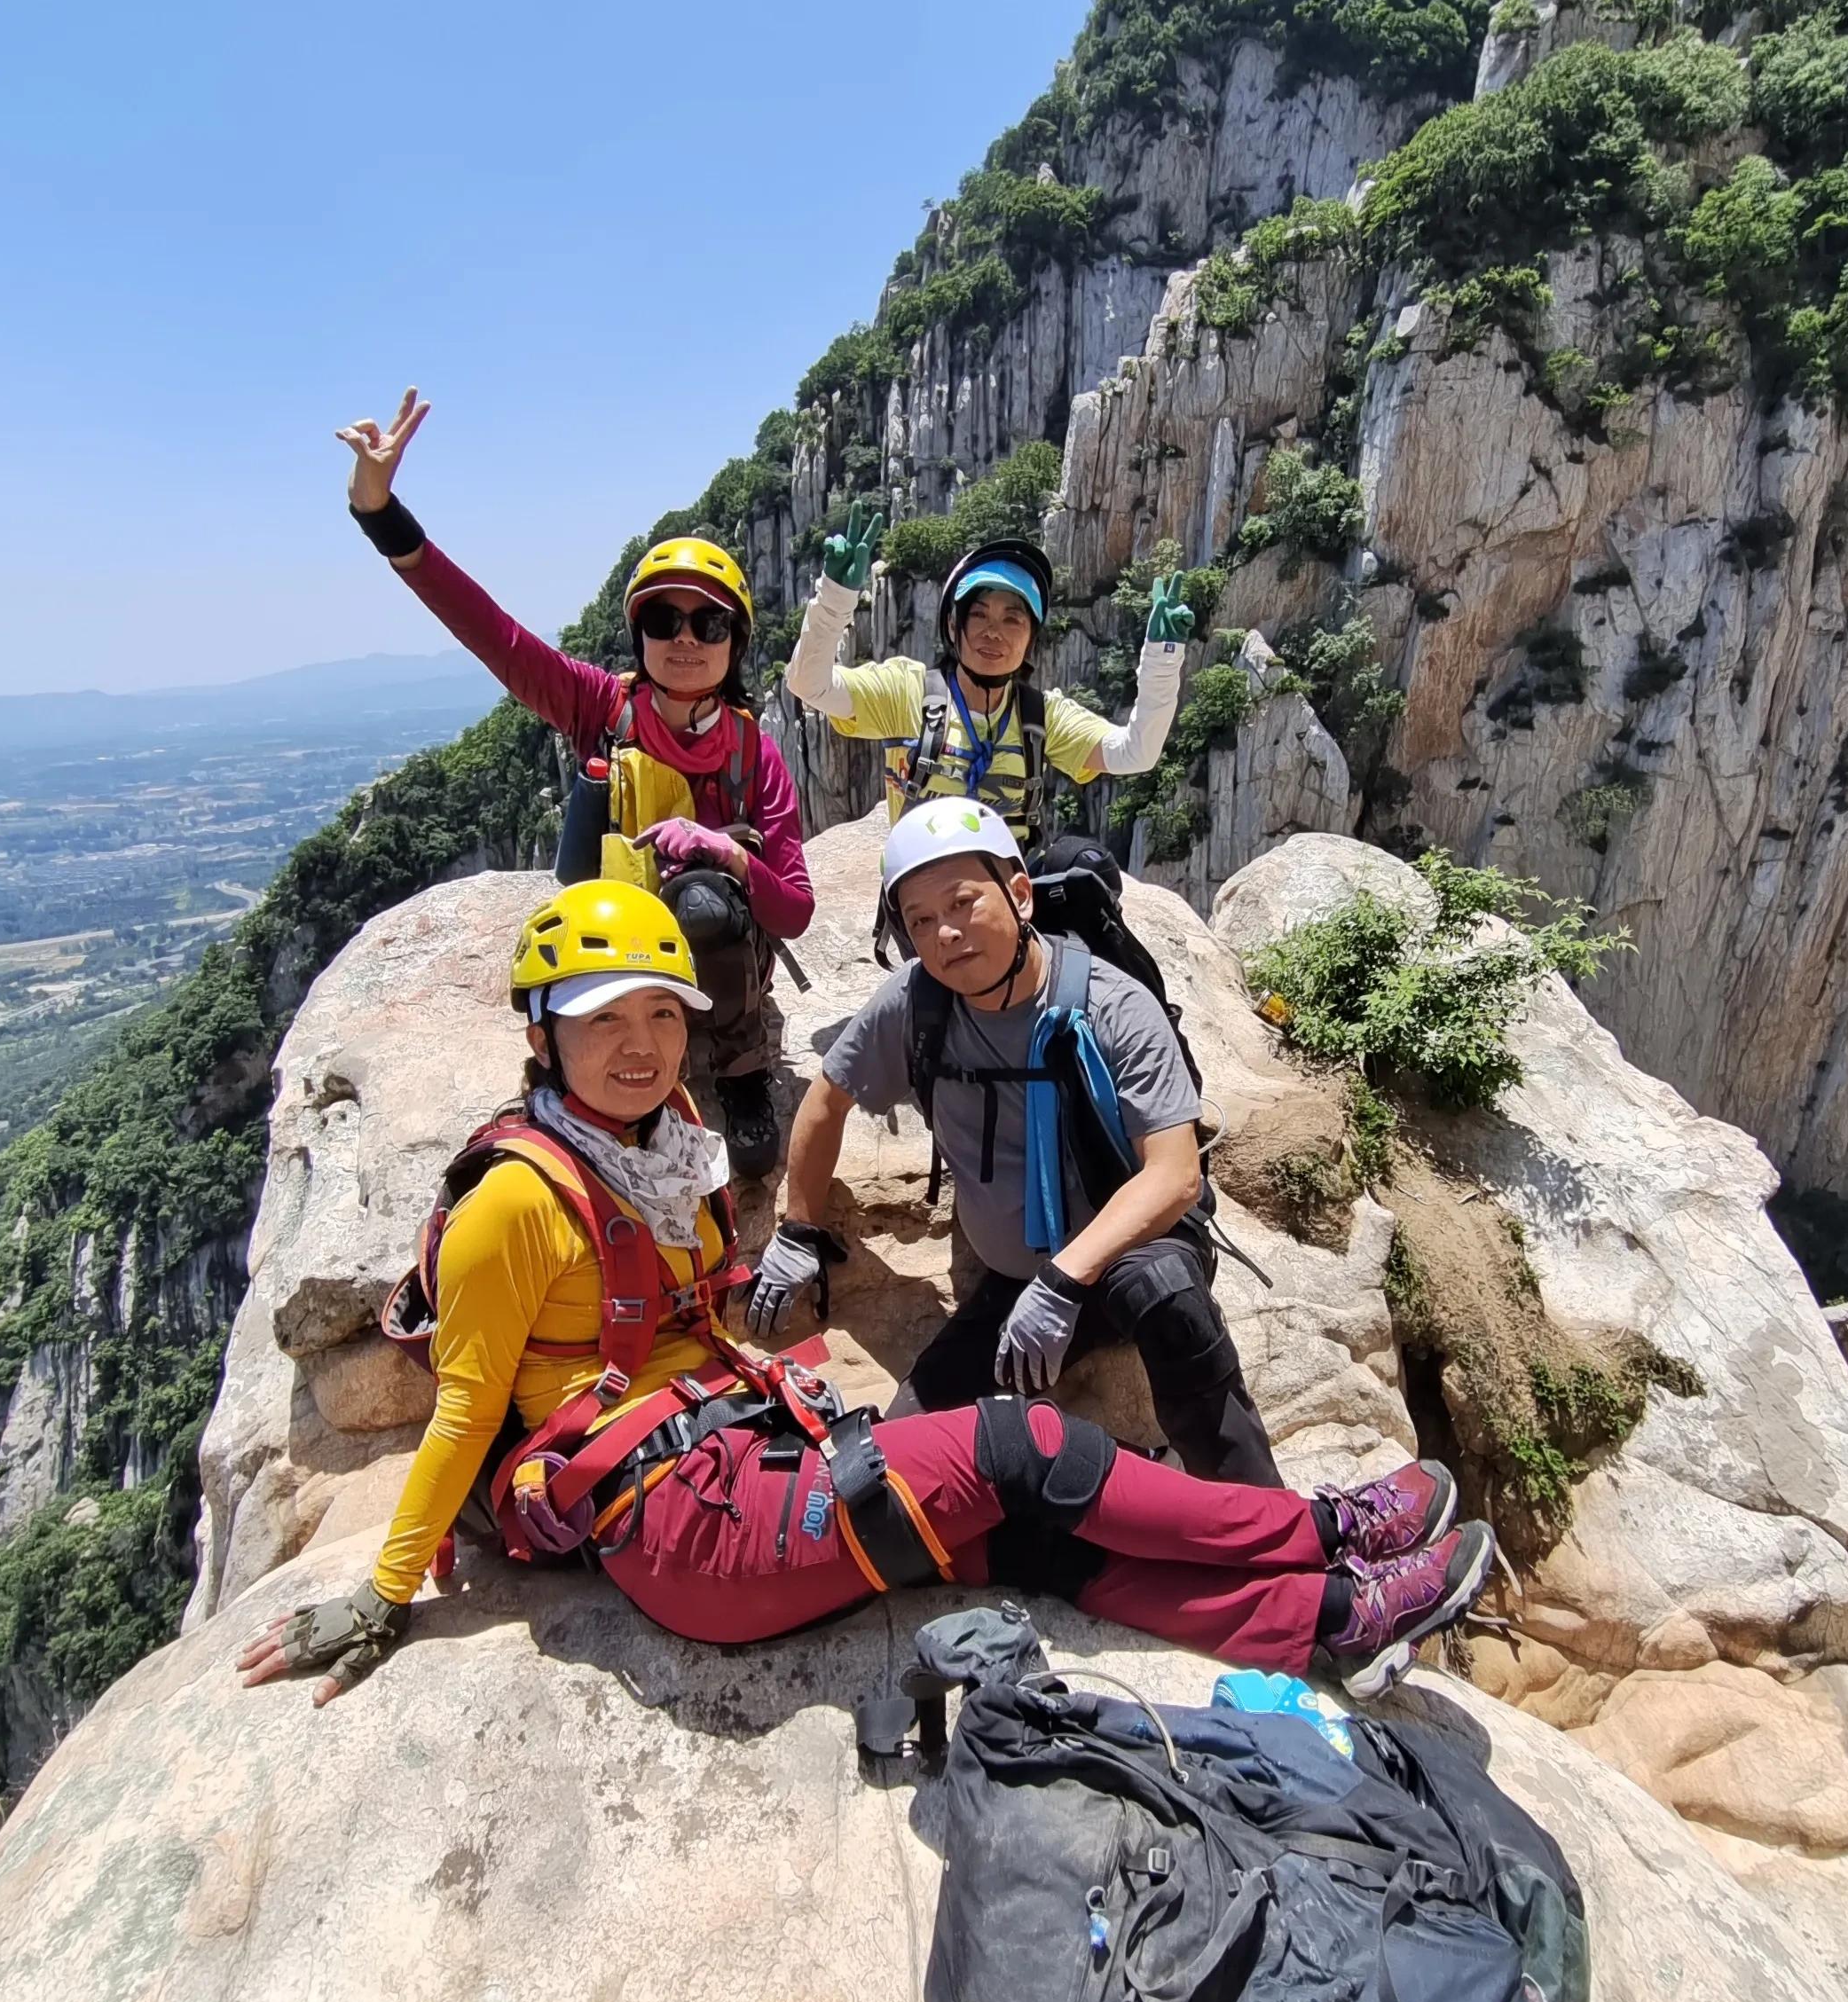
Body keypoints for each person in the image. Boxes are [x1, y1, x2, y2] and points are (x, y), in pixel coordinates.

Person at [234, 882, 1494, 1704]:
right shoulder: (518, 1196)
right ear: (541, 1035)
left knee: (1028, 1539)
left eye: (664, 1016)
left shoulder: (662, 1138)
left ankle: (1320, 1625)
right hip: (688, 1535)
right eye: (601, 1020)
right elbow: (462, 1409)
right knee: (1026, 1445)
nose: (642, 1045)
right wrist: (379, 1596)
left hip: (741, 1470)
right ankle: (1318, 1537)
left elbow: (681, 1325)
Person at [335, 388, 811, 1179]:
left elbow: (794, 911)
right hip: (613, 936)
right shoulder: (603, 706)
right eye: (664, 622)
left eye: (709, 624)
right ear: (639, 637)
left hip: (711, 945)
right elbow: (495, 634)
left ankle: (739, 1068)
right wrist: (382, 514)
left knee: (702, 903)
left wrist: (723, 855)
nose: (685, 640)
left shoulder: (753, 754)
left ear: (735, 643)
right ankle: (596, 1071)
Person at [747, 797, 1280, 1486]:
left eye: (963, 903)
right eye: (919, 921)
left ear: (1019, 894)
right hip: (1015, 1285)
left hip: (1124, 1253)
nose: (943, 934)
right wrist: (799, 1228)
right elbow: (826, 1101)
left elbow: (1174, 1175)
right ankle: (1127, 1479)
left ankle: (1269, 1522)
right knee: (906, 1454)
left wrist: (1064, 1279)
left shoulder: (1110, 1004)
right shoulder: (918, 1004)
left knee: (1166, 1292)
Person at [781, 506, 1195, 850]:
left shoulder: (1039, 715)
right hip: (925, 893)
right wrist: (835, 598)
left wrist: (1162, 658)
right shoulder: (907, 691)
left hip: (1009, 897)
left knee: (1085, 866)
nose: (993, 631)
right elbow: (809, 684)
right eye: (978, 614)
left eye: (1013, 618)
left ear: (1032, 637)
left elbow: (1135, 753)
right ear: (952, 624)